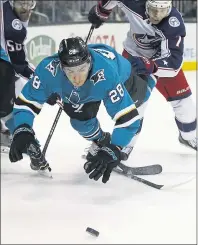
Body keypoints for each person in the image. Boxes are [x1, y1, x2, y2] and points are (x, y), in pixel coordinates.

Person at [8, 36, 157, 183]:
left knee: (139, 99)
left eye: (82, 69)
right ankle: (100, 140)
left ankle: (151, 80)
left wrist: (115, 148)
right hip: (84, 91)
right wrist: (22, 128)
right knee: (80, 123)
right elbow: (26, 102)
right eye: (70, 71)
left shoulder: (107, 73)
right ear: (61, 66)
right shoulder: (49, 70)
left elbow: (127, 119)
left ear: (89, 62)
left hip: (121, 73)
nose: (77, 78)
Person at [87, 0, 197, 157]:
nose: (157, 15)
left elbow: (173, 64)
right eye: (153, 10)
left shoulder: (174, 23)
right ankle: (122, 146)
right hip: (134, 57)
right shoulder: (134, 3)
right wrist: (102, 10)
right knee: (135, 104)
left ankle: (189, 137)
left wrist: (152, 65)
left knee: (185, 104)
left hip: (162, 64)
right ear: (146, 4)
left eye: (162, 11)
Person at [0, 0, 36, 152]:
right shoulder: (12, 27)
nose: (26, 8)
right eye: (22, 3)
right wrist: (41, 81)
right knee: (6, 105)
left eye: (30, 4)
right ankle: (27, 143)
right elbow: (20, 65)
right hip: (5, 60)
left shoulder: (11, 12)